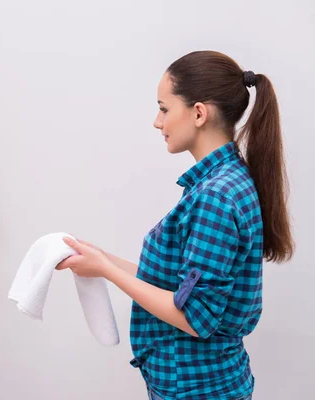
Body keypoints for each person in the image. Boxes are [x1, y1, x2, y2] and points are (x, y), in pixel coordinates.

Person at [56, 50, 294, 399]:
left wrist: (107, 270)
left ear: (198, 113)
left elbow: (196, 317)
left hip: (198, 389)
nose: (157, 121)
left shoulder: (215, 195)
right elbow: (177, 287)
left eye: (164, 109)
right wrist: (99, 259)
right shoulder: (221, 183)